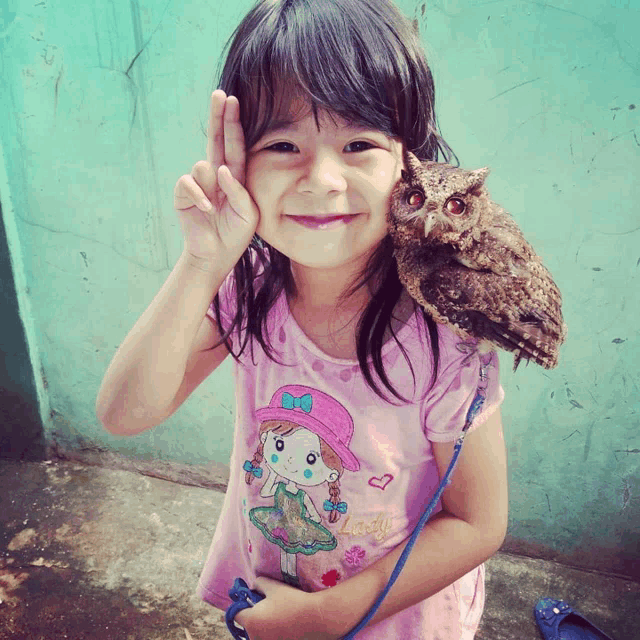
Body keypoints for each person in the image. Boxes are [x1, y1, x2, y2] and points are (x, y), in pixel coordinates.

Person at [95, 0, 509, 638]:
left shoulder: (444, 336)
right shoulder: (249, 293)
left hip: (389, 615)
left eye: (359, 143)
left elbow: (478, 523)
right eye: (283, 144)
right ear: (241, 162)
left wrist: (324, 617)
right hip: (273, 592)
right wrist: (201, 263)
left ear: (410, 164)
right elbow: (125, 413)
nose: (323, 179)